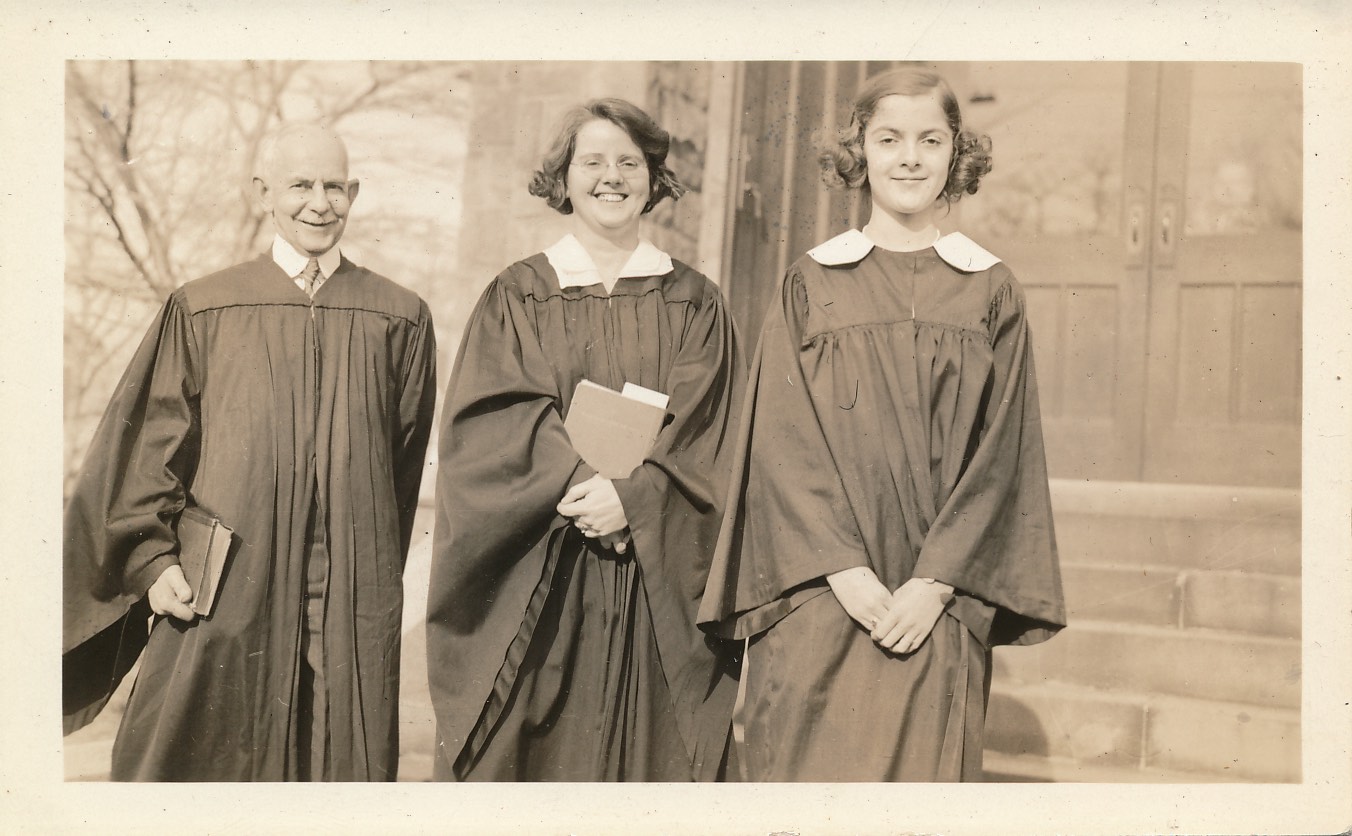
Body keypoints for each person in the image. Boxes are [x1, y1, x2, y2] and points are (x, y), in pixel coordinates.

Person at [699, 68, 1066, 781]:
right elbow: (780, 441)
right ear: (858, 150)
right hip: (818, 594)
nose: (909, 157)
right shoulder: (810, 281)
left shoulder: (990, 289)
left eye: (930, 140)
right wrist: (842, 567)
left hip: (935, 606)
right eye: (889, 138)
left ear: (956, 153)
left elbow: (1004, 455)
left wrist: (935, 583)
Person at [62, 123, 438, 781]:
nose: (318, 203)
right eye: (300, 185)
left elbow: (400, 467)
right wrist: (152, 561)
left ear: (354, 193)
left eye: (334, 187)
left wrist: (364, 561)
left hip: (349, 595)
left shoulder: (398, 318)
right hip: (228, 585)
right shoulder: (206, 307)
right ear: (264, 192)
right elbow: (153, 446)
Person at [425, 98, 744, 782]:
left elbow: (709, 427)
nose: (612, 176)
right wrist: (581, 488)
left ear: (655, 179)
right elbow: (496, 419)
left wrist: (636, 499)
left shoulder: (693, 301)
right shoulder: (519, 294)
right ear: (563, 179)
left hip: (652, 575)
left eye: (630, 162)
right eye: (592, 161)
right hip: (545, 569)